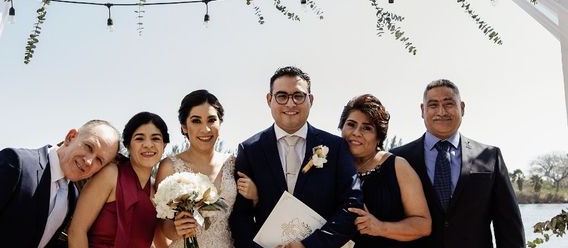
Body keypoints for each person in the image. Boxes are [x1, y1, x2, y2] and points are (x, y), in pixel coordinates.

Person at [230, 66, 362, 248]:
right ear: (269, 100)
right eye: (282, 96)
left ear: (311, 99)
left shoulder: (336, 147)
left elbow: (351, 205)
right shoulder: (250, 149)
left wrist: (310, 245)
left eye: (298, 96)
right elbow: (240, 215)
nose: (290, 104)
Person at [0, 120, 120, 248]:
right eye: (88, 147)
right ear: (71, 137)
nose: (89, 161)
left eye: (99, 160)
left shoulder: (73, 197)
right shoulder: (16, 163)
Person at [391, 79, 525, 248]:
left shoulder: (490, 157)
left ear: (462, 108)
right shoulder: (397, 158)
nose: (441, 111)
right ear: (422, 110)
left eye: (449, 104)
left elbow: (509, 226)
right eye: (433, 105)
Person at [156, 90, 257, 247]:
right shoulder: (169, 166)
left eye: (211, 120)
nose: (206, 129)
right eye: (196, 121)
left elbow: (245, 215)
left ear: (219, 124)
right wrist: (177, 228)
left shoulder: (234, 164)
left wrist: (255, 196)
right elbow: (162, 225)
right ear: (184, 127)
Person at [338, 94, 431, 247]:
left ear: (379, 136)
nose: (356, 132)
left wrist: (380, 227)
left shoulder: (398, 167)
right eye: (351, 124)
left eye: (367, 128)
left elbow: (423, 225)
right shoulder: (331, 164)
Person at [68, 112, 170, 248]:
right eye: (139, 138)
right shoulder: (110, 174)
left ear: (164, 146)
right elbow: (77, 231)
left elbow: (161, 242)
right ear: (128, 145)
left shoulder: (159, 190)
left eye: (155, 139)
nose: (148, 145)